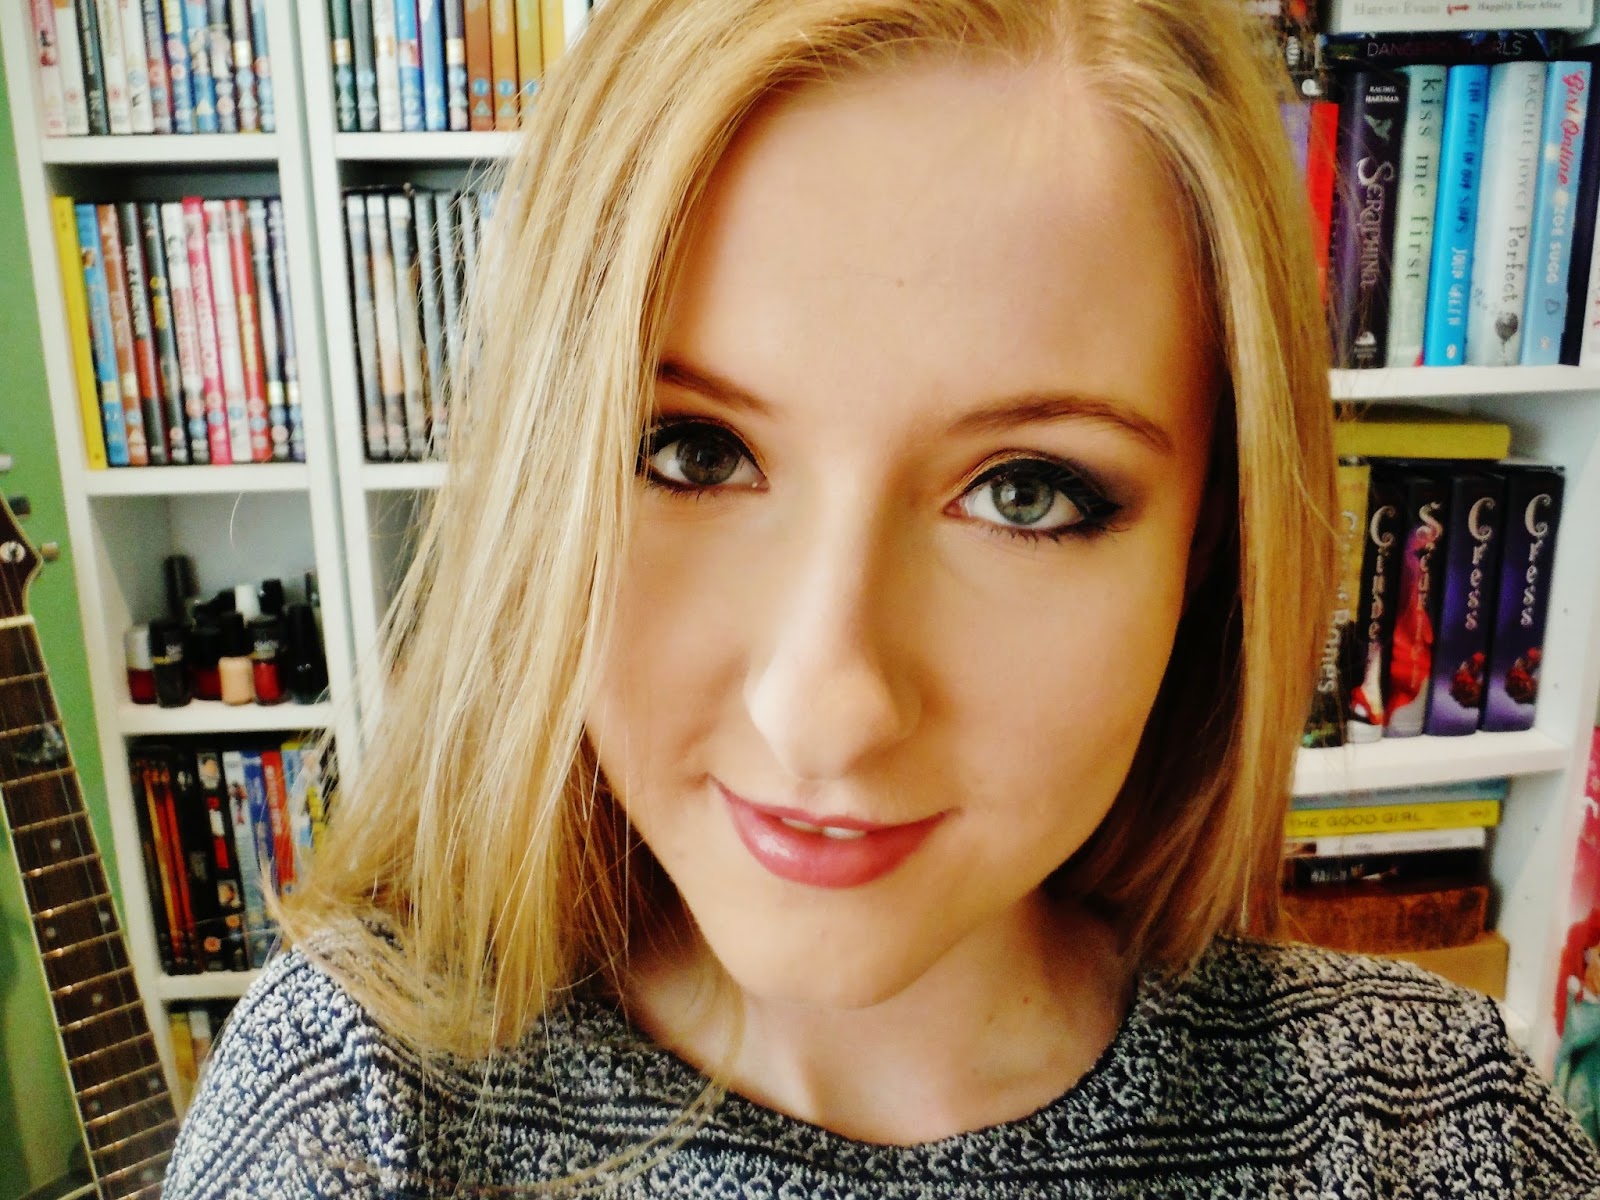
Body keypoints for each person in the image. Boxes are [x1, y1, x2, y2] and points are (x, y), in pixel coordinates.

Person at [164, 1, 1600, 1195]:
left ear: (1212, 545)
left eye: (1027, 492)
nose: (824, 708)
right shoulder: (353, 1108)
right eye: (692, 451)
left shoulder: (1429, 1132)